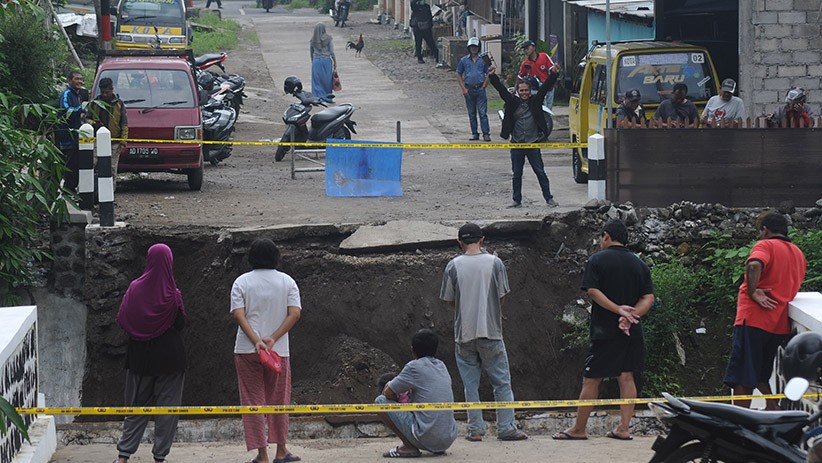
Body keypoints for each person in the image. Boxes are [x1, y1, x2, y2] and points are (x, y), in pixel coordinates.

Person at [554, 219, 654, 441]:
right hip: (632, 331)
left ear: (606, 236)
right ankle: (624, 428)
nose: (600, 242)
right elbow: (648, 297)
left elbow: (592, 290)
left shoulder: (597, 260)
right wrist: (631, 316)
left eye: (601, 238)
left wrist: (619, 310)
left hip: (604, 330)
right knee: (627, 377)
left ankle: (579, 429)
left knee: (592, 379)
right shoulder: (639, 264)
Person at [439, 223, 529, 442]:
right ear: (482, 240)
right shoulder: (495, 263)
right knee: (501, 383)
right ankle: (506, 427)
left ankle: (475, 430)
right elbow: (502, 297)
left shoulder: (453, 266)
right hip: (491, 332)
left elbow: (449, 300)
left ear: (459, 242)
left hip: (464, 334)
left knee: (470, 385)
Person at [723, 211, 807, 410]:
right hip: (778, 326)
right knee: (761, 374)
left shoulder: (765, 245)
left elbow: (754, 264)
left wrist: (753, 292)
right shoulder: (798, 254)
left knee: (742, 377)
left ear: (765, 230)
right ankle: (772, 407)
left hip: (753, 320)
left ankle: (741, 422)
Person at [231, 239, 302, 463]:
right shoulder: (287, 281)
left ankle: (262, 455)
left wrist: (256, 341)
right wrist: (273, 338)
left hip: (246, 350)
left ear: (251, 257)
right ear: (276, 257)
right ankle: (281, 450)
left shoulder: (241, 282)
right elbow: (295, 313)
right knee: (279, 400)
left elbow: (238, 314)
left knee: (253, 402)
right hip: (278, 350)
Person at [114, 243, 186, 463]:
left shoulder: (135, 288)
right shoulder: (173, 295)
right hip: (171, 359)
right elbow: (181, 324)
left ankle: (123, 456)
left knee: (136, 407)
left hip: (140, 357)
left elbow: (122, 319)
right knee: (167, 412)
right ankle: (159, 457)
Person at [375, 329, 458, 457]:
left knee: (380, 402)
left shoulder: (414, 367)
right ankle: (436, 447)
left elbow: (387, 392)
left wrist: (399, 403)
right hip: (448, 438)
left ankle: (408, 446)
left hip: (427, 437)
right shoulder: (442, 366)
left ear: (413, 350)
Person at [489, 63, 559, 208]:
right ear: (517, 91)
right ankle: (516, 200)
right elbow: (501, 90)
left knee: (540, 172)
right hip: (517, 144)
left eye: (526, 90)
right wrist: (492, 76)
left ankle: (549, 198)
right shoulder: (512, 102)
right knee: (516, 174)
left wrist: (554, 74)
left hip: (533, 144)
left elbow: (545, 88)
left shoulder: (536, 101)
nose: (524, 93)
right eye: (521, 91)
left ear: (530, 91)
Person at [87, 77, 128, 191]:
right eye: (103, 92)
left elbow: (124, 123)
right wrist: (94, 124)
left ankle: (110, 192)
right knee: (92, 164)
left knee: (112, 168)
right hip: (97, 140)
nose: (105, 95)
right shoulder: (95, 103)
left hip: (114, 141)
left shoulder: (119, 104)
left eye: (107, 92)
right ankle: (84, 190)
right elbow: (86, 119)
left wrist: (123, 141)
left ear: (112, 90)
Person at [56, 70, 87, 191]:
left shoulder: (78, 95)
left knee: (76, 164)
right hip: (67, 135)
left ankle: (71, 189)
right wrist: (81, 109)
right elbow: (65, 110)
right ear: (69, 81)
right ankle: (67, 189)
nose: (80, 81)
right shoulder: (66, 94)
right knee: (70, 163)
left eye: (81, 79)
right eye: (77, 79)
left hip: (77, 135)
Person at [456, 37, 491, 142]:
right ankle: (474, 133)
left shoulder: (484, 59)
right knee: (471, 113)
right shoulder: (463, 60)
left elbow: (489, 72)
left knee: (482, 112)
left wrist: (484, 85)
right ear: (468, 48)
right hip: (469, 89)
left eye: (475, 47)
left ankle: (486, 133)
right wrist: (463, 88)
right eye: (472, 47)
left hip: (480, 88)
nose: (473, 49)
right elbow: (458, 73)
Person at [518, 40, 556, 112]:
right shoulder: (525, 63)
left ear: (533, 48)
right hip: (537, 90)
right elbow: (520, 77)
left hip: (549, 88)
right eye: (524, 49)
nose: (526, 51)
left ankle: (548, 122)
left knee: (549, 110)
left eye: (527, 48)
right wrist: (515, 88)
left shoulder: (544, 56)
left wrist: (555, 71)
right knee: (539, 109)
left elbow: (552, 69)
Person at [310, 23, 336, 104]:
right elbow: (332, 52)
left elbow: (311, 52)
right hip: (326, 61)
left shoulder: (313, 40)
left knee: (316, 80)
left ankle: (317, 97)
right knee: (327, 80)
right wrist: (335, 62)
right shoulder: (328, 39)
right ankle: (327, 97)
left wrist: (313, 61)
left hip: (316, 61)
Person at [410, 0, 436, 64]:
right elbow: (412, 3)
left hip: (426, 27)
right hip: (417, 27)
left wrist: (430, 25)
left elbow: (430, 16)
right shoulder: (415, 6)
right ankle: (420, 58)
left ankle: (437, 55)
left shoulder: (427, 6)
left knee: (431, 42)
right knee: (418, 43)